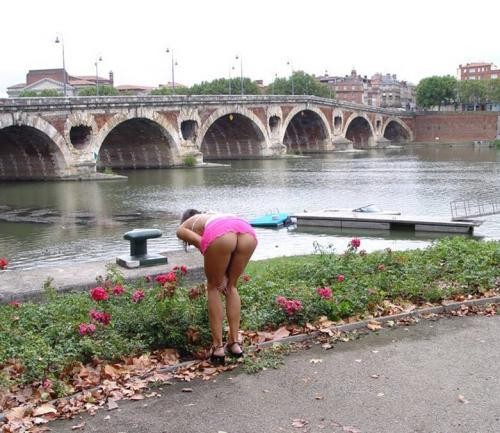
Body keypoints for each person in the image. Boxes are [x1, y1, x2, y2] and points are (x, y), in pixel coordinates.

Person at [176, 209, 258, 365]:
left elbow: (203, 244)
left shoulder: (185, 225)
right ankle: (234, 344)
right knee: (232, 286)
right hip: (247, 232)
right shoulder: (212, 215)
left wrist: (218, 278)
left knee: (213, 287)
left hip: (221, 235)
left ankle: (218, 347)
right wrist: (225, 276)